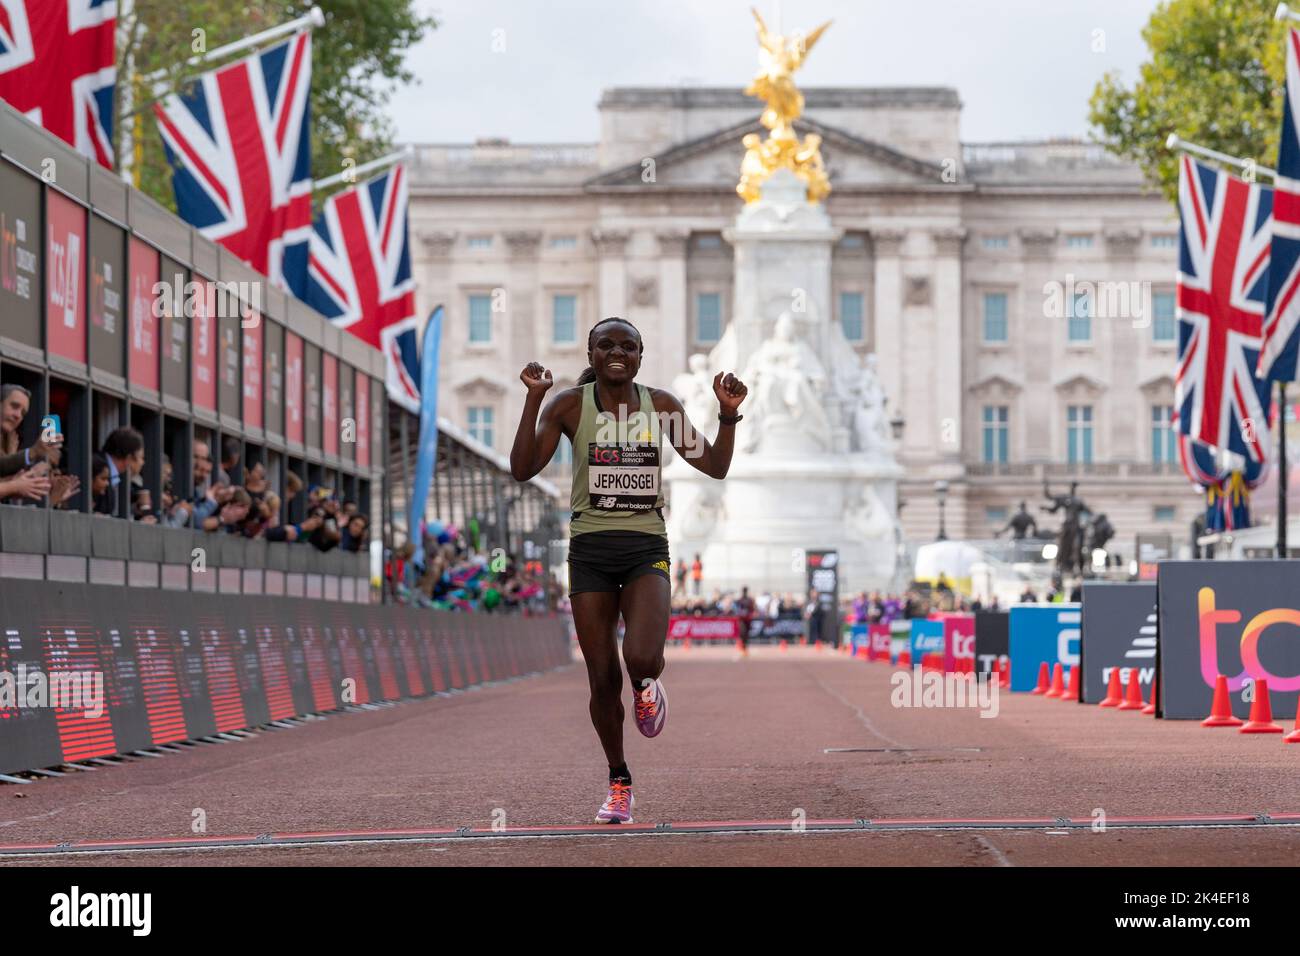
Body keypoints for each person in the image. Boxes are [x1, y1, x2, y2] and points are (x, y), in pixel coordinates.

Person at [508, 316, 747, 824]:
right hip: (590, 550)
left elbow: (714, 466)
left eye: (628, 346)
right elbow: (523, 468)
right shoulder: (570, 406)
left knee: (640, 657)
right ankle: (619, 780)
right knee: (600, 680)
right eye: (606, 345)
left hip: (646, 548)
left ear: (641, 356)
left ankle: (647, 685)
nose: (617, 352)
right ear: (592, 353)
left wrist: (727, 416)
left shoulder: (660, 406)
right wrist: (533, 398)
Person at [97, 427, 145, 516]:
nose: (142, 463)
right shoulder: (97, 468)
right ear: (129, 458)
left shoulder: (114, 474)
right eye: (141, 458)